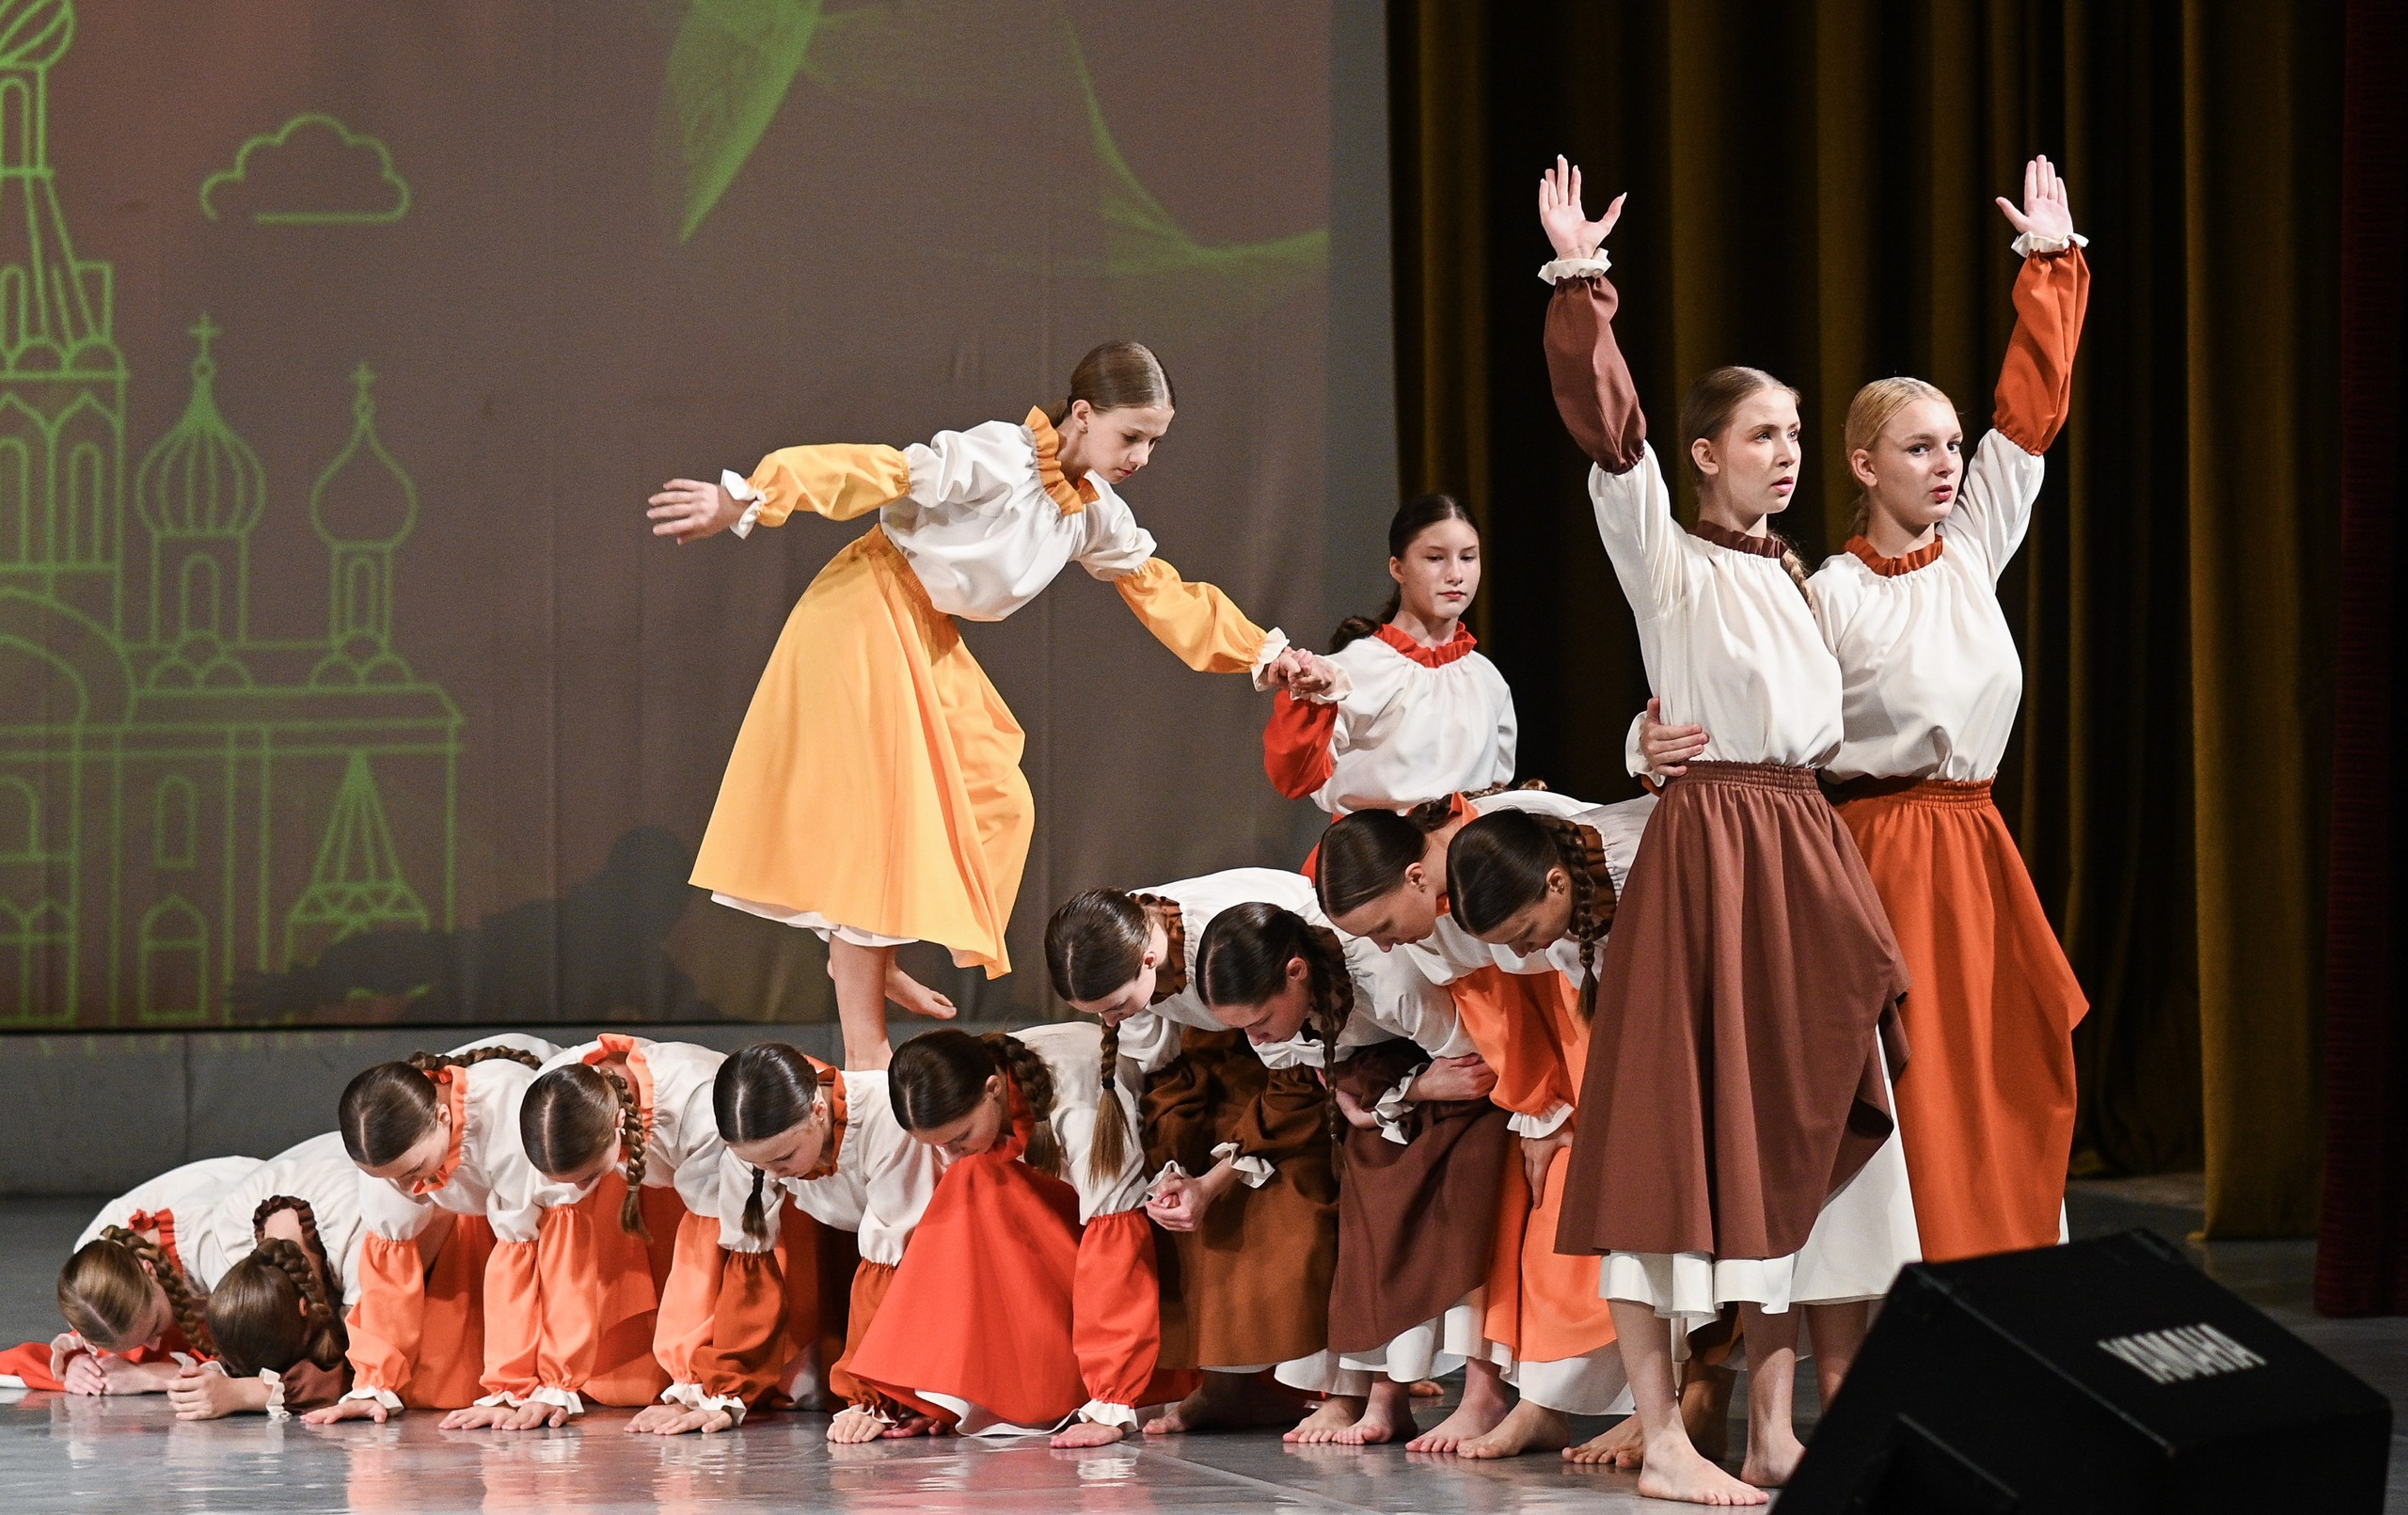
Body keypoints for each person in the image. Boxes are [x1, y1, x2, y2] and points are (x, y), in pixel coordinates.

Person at [1530, 157, 1918, 1504]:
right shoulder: (1669, 551)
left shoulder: (1793, 573)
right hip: (1717, 858)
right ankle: (1668, 1436)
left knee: (1791, 1135)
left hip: (1800, 851)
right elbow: (1608, 426)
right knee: (1682, 1135)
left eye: (1799, 432)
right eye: (1765, 433)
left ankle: (1771, 1426)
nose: (1789, 449)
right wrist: (1583, 283)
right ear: (1705, 453)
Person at [1638, 156, 2091, 1266]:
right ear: (1861, 462)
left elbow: (2026, 422)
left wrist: (2050, 265)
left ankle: (2005, 1287)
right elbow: (1736, 701)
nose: (1945, 464)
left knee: (2005, 1073)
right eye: (1919, 448)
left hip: (1975, 852)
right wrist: (1644, 741)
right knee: (1910, 1086)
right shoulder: (1823, 593)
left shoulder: (1971, 552)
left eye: (1949, 447)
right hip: (1869, 856)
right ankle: (1898, 1304)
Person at [647, 341, 1332, 1070]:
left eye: (1154, 441)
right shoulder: (1002, 457)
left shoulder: (1092, 513)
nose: (1142, 455)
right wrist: (746, 496)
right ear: (1081, 414)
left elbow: (1166, 593)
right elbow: (882, 469)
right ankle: (866, 1045)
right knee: (887, 822)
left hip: (923, 630)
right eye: (1131, 435)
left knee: (999, 798)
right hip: (865, 610)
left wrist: (1266, 653)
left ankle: (872, 953)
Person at [1316, 790, 1727, 1463]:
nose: (1386, 944)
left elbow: (1554, 978)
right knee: (1559, 1209)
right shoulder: (1442, 914)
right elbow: (1497, 1005)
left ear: (1418, 877)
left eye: (1385, 923)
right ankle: (1559, 1401)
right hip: (1551, 1062)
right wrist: (1540, 1108)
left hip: (1600, 1030)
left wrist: (1555, 1108)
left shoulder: (1500, 857)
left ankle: (1670, 1403)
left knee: (1623, 1201)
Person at [1194, 901, 1506, 1449]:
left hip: (1468, 1085)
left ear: (1297, 973)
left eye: (1260, 1020)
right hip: (1387, 1085)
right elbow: (1307, 1061)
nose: (1257, 1040)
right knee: (1365, 1201)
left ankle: (1484, 1395)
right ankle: (1384, 1396)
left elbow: (1472, 1064)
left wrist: (1401, 1094)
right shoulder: (1282, 1021)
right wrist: (1363, 1095)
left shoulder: (1391, 982)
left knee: (1463, 1201)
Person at [1042, 871, 1338, 1437]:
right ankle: (1228, 1386)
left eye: (1114, 1006)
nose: (1108, 1021)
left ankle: (1313, 1384)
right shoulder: (1127, 951)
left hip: (1304, 1046)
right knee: (1181, 1186)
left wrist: (1218, 1179)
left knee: (1287, 1193)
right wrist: (1180, 1169)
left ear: (1150, 961)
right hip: (1236, 1053)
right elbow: (1172, 1064)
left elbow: (1298, 1062)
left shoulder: (1227, 942)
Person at [841, 1023, 1193, 1446]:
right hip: (1065, 1190)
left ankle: (1098, 1386)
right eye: (937, 1146)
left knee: (971, 1175)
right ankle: (951, 1391)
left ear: (992, 1088)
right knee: (966, 1178)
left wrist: (1111, 1405)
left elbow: (1116, 1256)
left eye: (959, 1138)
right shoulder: (987, 1092)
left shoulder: (1079, 1111)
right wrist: (939, 1400)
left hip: (1162, 1173)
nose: (949, 1157)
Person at [304, 1035, 561, 1423]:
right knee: (443, 1383)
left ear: (444, 1118)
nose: (409, 1189)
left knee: (612, 1377)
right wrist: (374, 1384)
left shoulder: (506, 1109)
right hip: (490, 1221)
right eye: (391, 1179)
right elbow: (388, 1269)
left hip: (557, 1211)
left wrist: (513, 1390)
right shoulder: (385, 1142)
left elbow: (524, 1248)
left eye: (411, 1172)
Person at [710, 1041, 944, 1444]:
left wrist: (873, 1398)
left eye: (783, 1159)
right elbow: (747, 1273)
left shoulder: (884, 1117)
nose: (773, 1174)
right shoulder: (756, 1149)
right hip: (860, 1246)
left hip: (934, 1256)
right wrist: (720, 1393)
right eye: (758, 1164)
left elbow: (893, 1257)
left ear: (819, 1111)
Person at [1262, 495, 1515, 818]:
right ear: (1398, 568)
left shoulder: (1486, 678)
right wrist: (1308, 701)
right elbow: (1294, 778)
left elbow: (1496, 788)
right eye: (1435, 558)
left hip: (1468, 860)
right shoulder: (1354, 669)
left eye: (1468, 558)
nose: (1455, 574)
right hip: (1378, 860)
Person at [0, 1153, 265, 1397]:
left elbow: (272, 1366)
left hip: (258, 1205)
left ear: (150, 1270)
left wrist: (154, 1377)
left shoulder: (215, 1250)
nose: (151, 1348)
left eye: (153, 1327)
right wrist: (77, 1363)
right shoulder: (92, 1266)